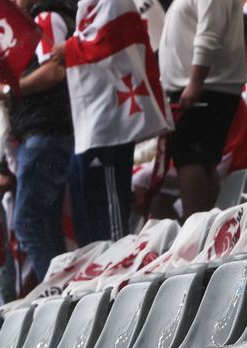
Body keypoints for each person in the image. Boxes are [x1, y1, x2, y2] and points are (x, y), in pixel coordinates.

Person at [50, 0, 172, 243]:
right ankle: (102, 262)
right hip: (97, 118)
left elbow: (106, 40)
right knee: (91, 203)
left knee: (110, 203)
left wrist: (69, 48)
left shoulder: (113, 1)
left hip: (111, 121)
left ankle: (118, 260)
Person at [10, 0, 77, 283]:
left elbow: (54, 71)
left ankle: (55, 293)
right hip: (46, 132)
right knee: (46, 223)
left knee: (27, 222)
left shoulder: (45, 18)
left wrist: (11, 88)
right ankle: (63, 297)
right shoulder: (44, 19)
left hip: (45, 132)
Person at [159, 0, 246, 217]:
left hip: (205, 86)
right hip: (201, 85)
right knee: (199, 159)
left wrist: (195, 82)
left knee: (191, 159)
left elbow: (210, 31)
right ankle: (205, 232)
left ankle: (197, 229)